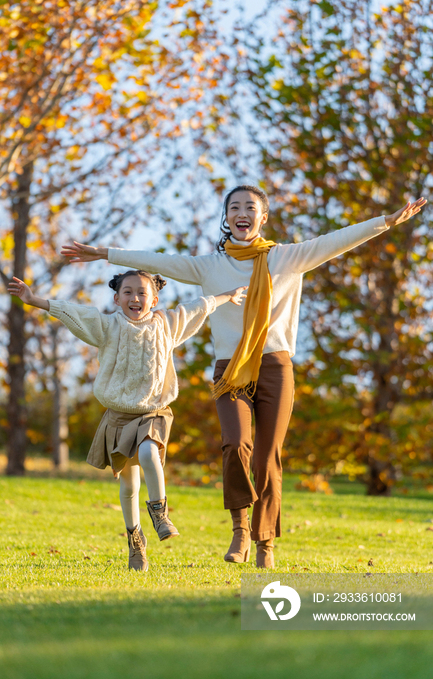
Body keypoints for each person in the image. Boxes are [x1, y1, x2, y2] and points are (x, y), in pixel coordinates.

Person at [60, 187, 426, 568]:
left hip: (274, 367)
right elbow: (159, 261)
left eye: (250, 207)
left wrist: (387, 221)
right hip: (230, 370)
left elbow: (339, 240)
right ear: (227, 216)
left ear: (263, 217)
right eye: (234, 207)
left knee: (267, 458)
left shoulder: (287, 257)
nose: (242, 213)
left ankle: (265, 542)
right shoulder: (210, 266)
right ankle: (240, 528)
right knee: (236, 444)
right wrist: (103, 254)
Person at [8, 270, 247, 571]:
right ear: (117, 298)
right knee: (129, 486)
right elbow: (74, 312)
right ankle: (136, 541)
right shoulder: (108, 326)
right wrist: (34, 300)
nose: (135, 298)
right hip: (119, 416)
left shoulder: (167, 324)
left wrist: (227, 296)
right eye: (128, 292)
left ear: (154, 299)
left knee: (149, 452)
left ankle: (160, 513)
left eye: (142, 292)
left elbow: (198, 307)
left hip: (154, 412)